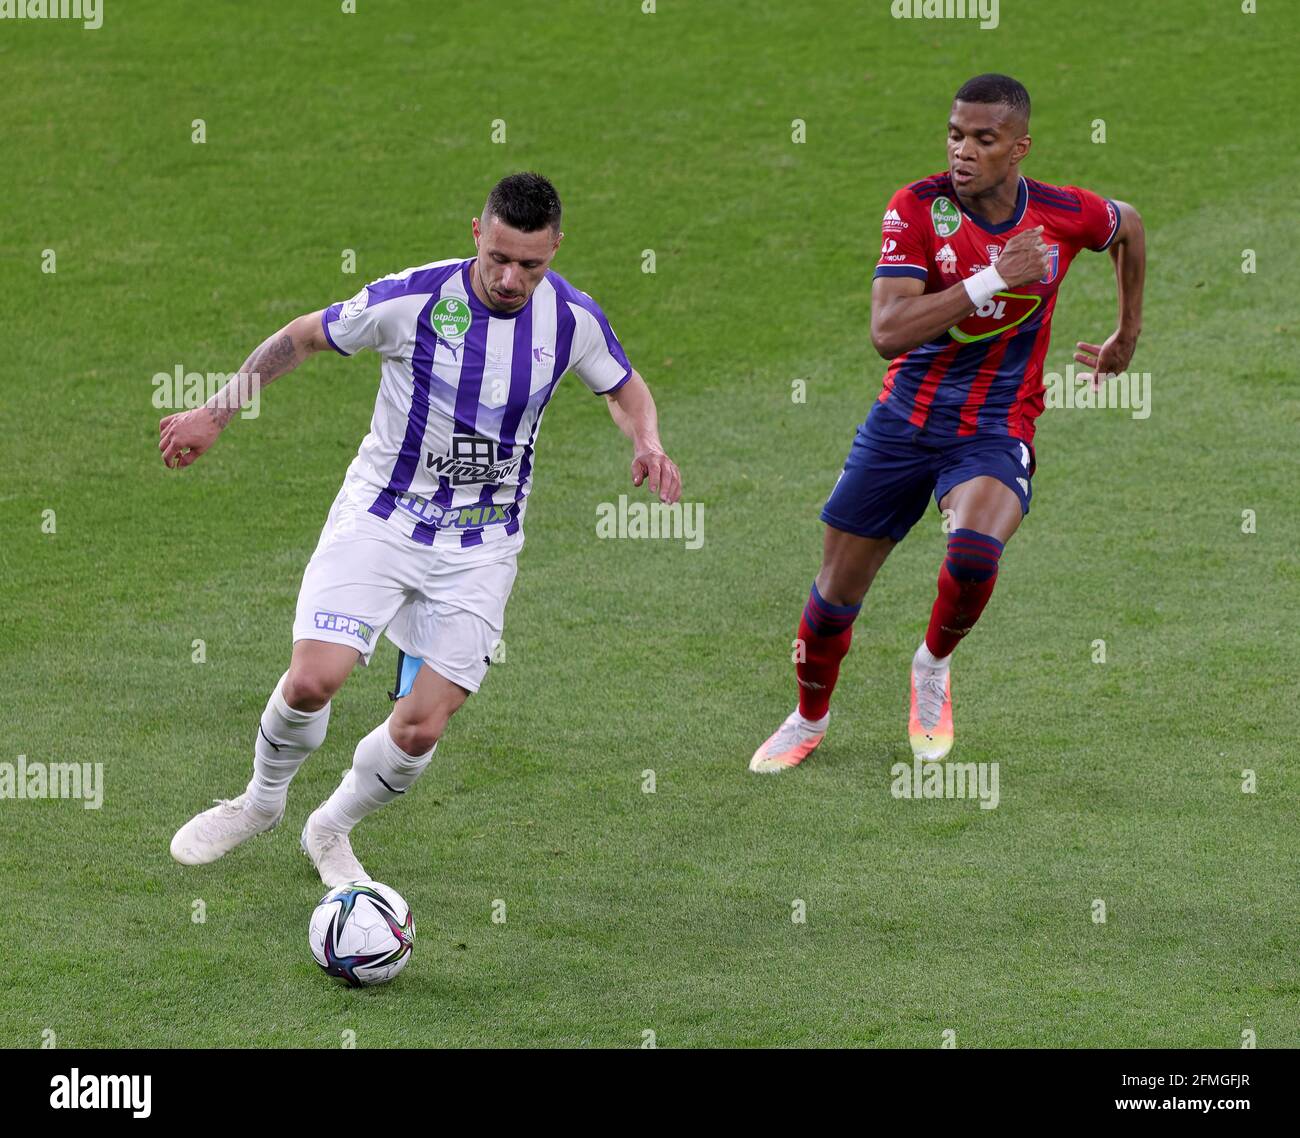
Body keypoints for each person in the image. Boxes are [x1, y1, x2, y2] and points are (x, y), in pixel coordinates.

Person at [164, 172, 681, 883]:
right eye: (498, 256)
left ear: (556, 249)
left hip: (482, 547)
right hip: (383, 517)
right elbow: (304, 336)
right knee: (314, 681)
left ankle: (332, 828)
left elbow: (622, 386)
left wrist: (645, 440)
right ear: (477, 231)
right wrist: (215, 413)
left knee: (419, 727)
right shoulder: (413, 299)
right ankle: (259, 803)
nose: (509, 277)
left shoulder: (571, 319)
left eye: (530, 264)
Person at [750, 74, 1145, 773]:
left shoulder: (1059, 214)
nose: (963, 151)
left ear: (1018, 148)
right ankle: (809, 716)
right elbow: (887, 330)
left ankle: (931, 668)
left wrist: (1126, 334)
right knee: (835, 595)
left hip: (996, 426)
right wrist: (995, 277)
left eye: (983, 140)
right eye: (955, 134)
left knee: (973, 555)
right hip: (902, 423)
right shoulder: (917, 208)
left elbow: (1128, 225)